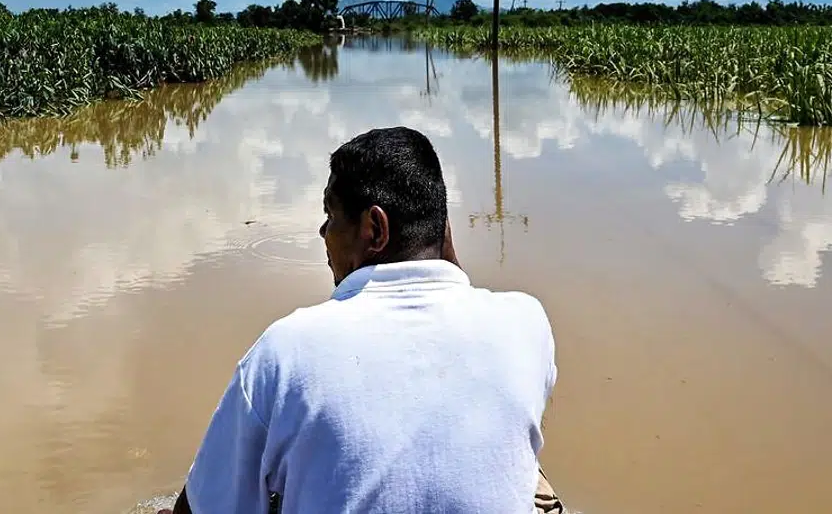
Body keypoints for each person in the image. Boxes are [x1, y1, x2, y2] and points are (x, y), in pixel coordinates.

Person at [160, 126, 559, 514]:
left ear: (375, 229)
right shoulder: (525, 323)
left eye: (330, 216)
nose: (323, 232)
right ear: (445, 231)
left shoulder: (284, 352)